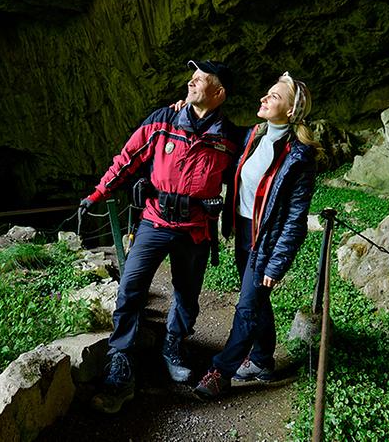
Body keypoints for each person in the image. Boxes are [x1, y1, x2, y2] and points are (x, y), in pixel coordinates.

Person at [80, 59, 240, 414]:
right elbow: (128, 157)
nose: (191, 82)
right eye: (191, 77)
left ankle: (173, 344)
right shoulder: (163, 120)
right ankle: (121, 360)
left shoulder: (230, 138)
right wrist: (99, 192)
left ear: (219, 92)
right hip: (154, 221)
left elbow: (245, 175)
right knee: (131, 286)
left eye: (200, 79)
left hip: (195, 228)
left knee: (187, 294)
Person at [191, 71, 321, 400]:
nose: (264, 98)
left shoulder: (299, 156)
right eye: (267, 93)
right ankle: (262, 360)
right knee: (257, 299)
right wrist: (188, 106)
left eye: (274, 96)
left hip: (267, 239)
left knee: (247, 305)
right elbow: (216, 126)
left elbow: (295, 218)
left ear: (290, 110)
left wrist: (277, 264)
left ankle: (222, 372)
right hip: (244, 230)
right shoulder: (254, 135)